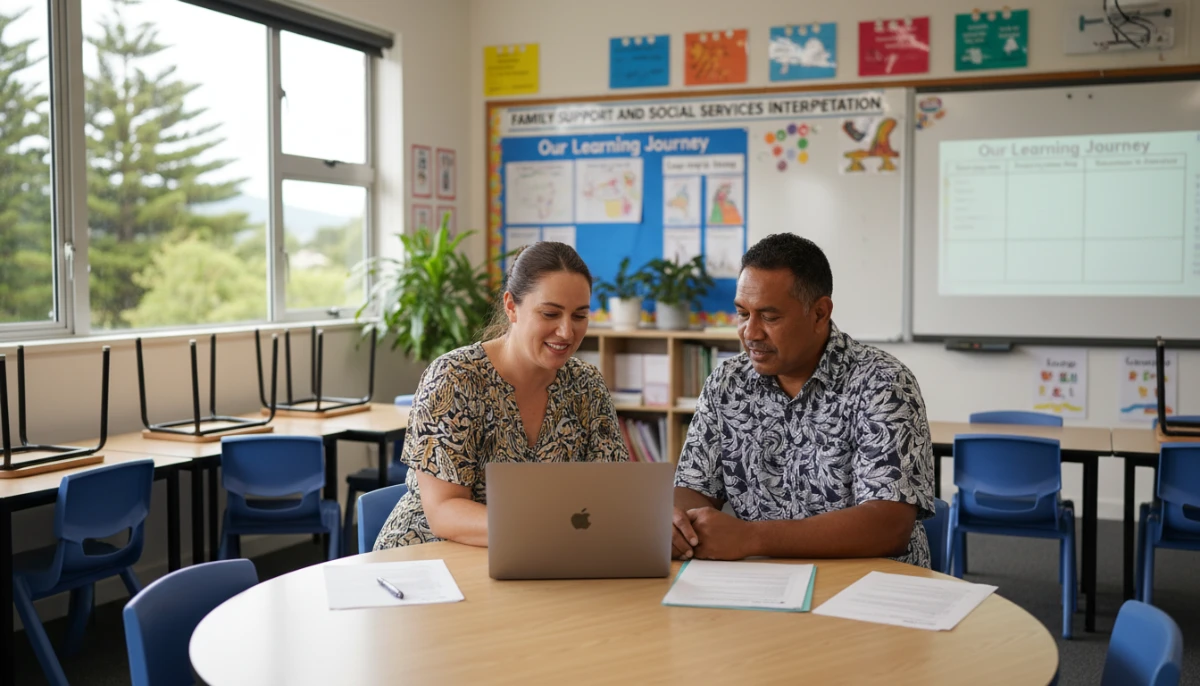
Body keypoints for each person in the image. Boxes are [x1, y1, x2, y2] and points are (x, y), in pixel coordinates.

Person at [672, 233, 935, 567]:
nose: (750, 332)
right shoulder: (727, 382)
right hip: (758, 581)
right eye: (742, 314)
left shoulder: (883, 383)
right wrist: (679, 524)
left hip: (867, 582)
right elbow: (693, 486)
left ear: (819, 313)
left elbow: (888, 526)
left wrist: (752, 537)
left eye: (769, 317)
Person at [374, 242, 628, 550]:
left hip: (537, 552)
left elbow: (610, 490)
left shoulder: (587, 385)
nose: (566, 332)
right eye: (550, 313)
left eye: (579, 316)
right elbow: (444, 511)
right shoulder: (454, 377)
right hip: (430, 554)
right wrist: (548, 529)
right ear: (511, 307)